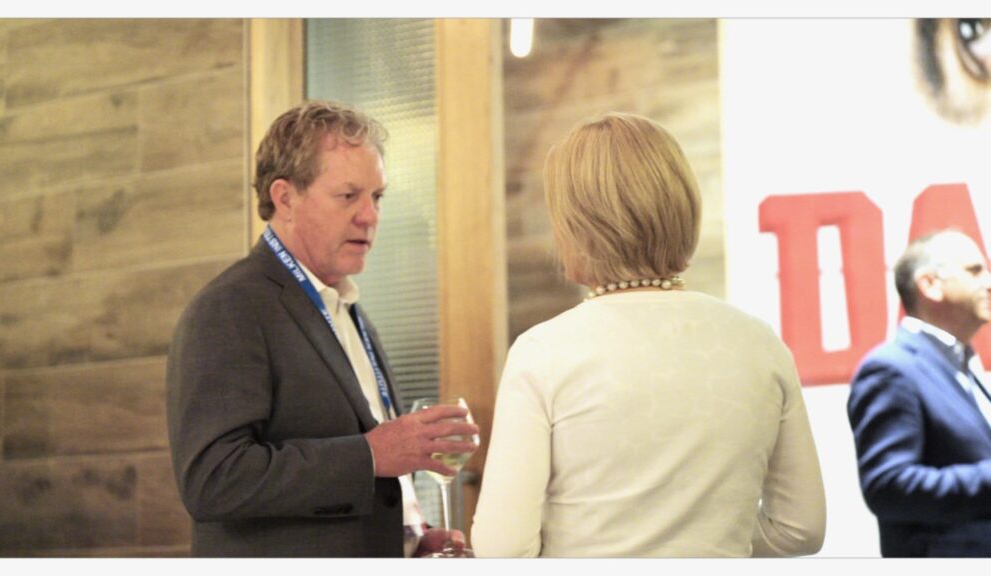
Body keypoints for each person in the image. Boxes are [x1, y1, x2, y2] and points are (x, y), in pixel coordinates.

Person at [470, 112, 826, 557]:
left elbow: (502, 550)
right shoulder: (761, 344)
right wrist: (709, 538)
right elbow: (801, 529)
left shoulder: (543, 353)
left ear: (581, 228)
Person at [166, 99, 478, 557]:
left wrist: (410, 537)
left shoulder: (348, 309)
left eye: (377, 197)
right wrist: (370, 454)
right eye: (348, 196)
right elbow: (213, 479)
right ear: (285, 198)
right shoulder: (231, 307)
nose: (370, 216)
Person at [847, 230, 991, 557]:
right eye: (974, 271)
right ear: (930, 284)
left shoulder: (962, 366)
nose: (988, 282)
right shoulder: (891, 369)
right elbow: (889, 487)